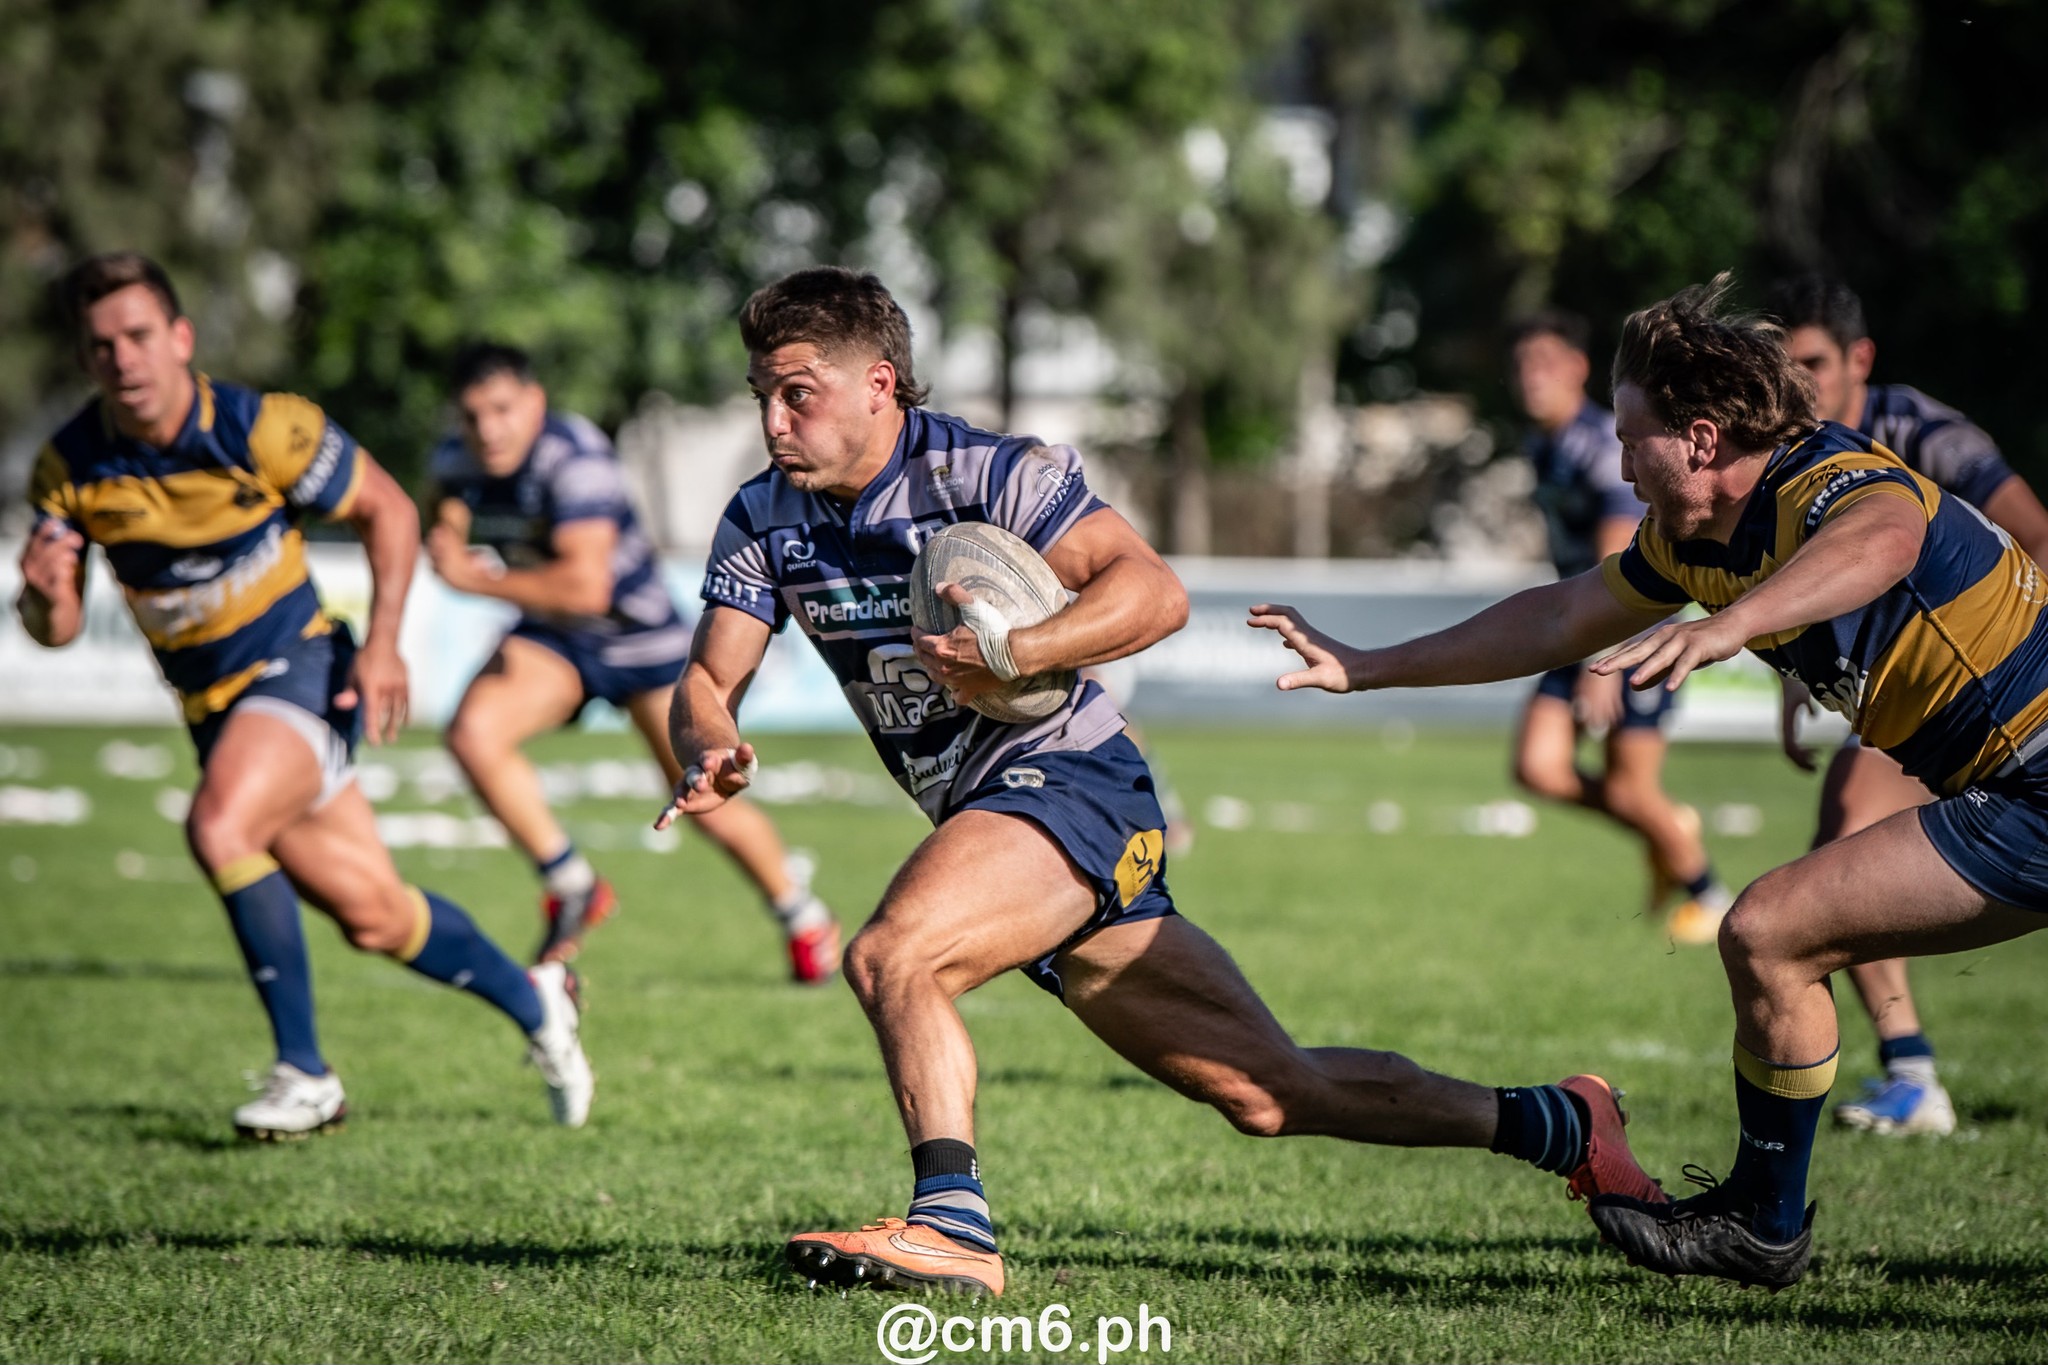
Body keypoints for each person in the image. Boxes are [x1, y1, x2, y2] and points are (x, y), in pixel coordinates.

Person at [656, 265, 1666, 1298]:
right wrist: (709, 741)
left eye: (796, 393)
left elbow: (1152, 590)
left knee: (892, 955)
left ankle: (951, 1225)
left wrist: (1021, 646)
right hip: (996, 823)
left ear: (877, 382)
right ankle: (1559, 1123)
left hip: (1069, 781)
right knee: (1270, 1092)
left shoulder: (985, 471)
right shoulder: (764, 516)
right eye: (762, 397)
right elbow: (705, 673)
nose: (774, 420)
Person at [1253, 274, 2048, 1289]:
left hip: (2032, 771)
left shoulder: (1827, 476)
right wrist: (1364, 664)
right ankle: (1760, 1221)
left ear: (1703, 440)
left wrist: (1728, 627)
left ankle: (1763, 1220)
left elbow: (1883, 542)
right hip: (2004, 783)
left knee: (1770, 928)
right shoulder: (1690, 542)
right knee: (1771, 932)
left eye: (1633, 439)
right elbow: (1553, 619)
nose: (1618, 461)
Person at [16, 254, 592, 1139]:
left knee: (219, 827)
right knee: (376, 914)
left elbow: (389, 511)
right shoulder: (70, 465)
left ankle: (305, 1072)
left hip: (304, 672)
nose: (122, 358)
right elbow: (50, 629)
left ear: (180, 338)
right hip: (217, 715)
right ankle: (539, 999)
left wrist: (388, 646)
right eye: (101, 345)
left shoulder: (261, 427)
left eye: (138, 335)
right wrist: (47, 592)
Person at [424, 344, 840, 980]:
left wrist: (475, 581)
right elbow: (444, 509)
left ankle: (802, 915)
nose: (489, 430)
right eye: (473, 416)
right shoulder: (457, 458)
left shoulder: (574, 457)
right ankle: (572, 883)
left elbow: (587, 587)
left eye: (502, 410)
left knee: (704, 796)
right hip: (556, 640)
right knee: (472, 734)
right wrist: (445, 532)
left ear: (534, 402)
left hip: (639, 640)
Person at [1768, 272, 2048, 1137]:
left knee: (1834, 852)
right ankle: (1910, 1072)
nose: (1797, 384)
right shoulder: (1795, 452)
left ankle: (1911, 1075)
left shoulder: (1923, 433)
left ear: (1861, 357)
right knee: (1839, 844)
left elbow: (2034, 532)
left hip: (1997, 691)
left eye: (1812, 361)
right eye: (1783, 367)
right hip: (1912, 705)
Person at [1507, 311, 1729, 944]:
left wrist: (1601, 659)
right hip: (1577, 627)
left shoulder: (1600, 444)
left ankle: (1708, 894)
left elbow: (1615, 560)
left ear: (1580, 369)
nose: (1531, 377)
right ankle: (1669, 828)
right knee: (1537, 766)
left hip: (1628, 631)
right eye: (1522, 365)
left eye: (1545, 363)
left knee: (1633, 790)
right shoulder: (1540, 443)